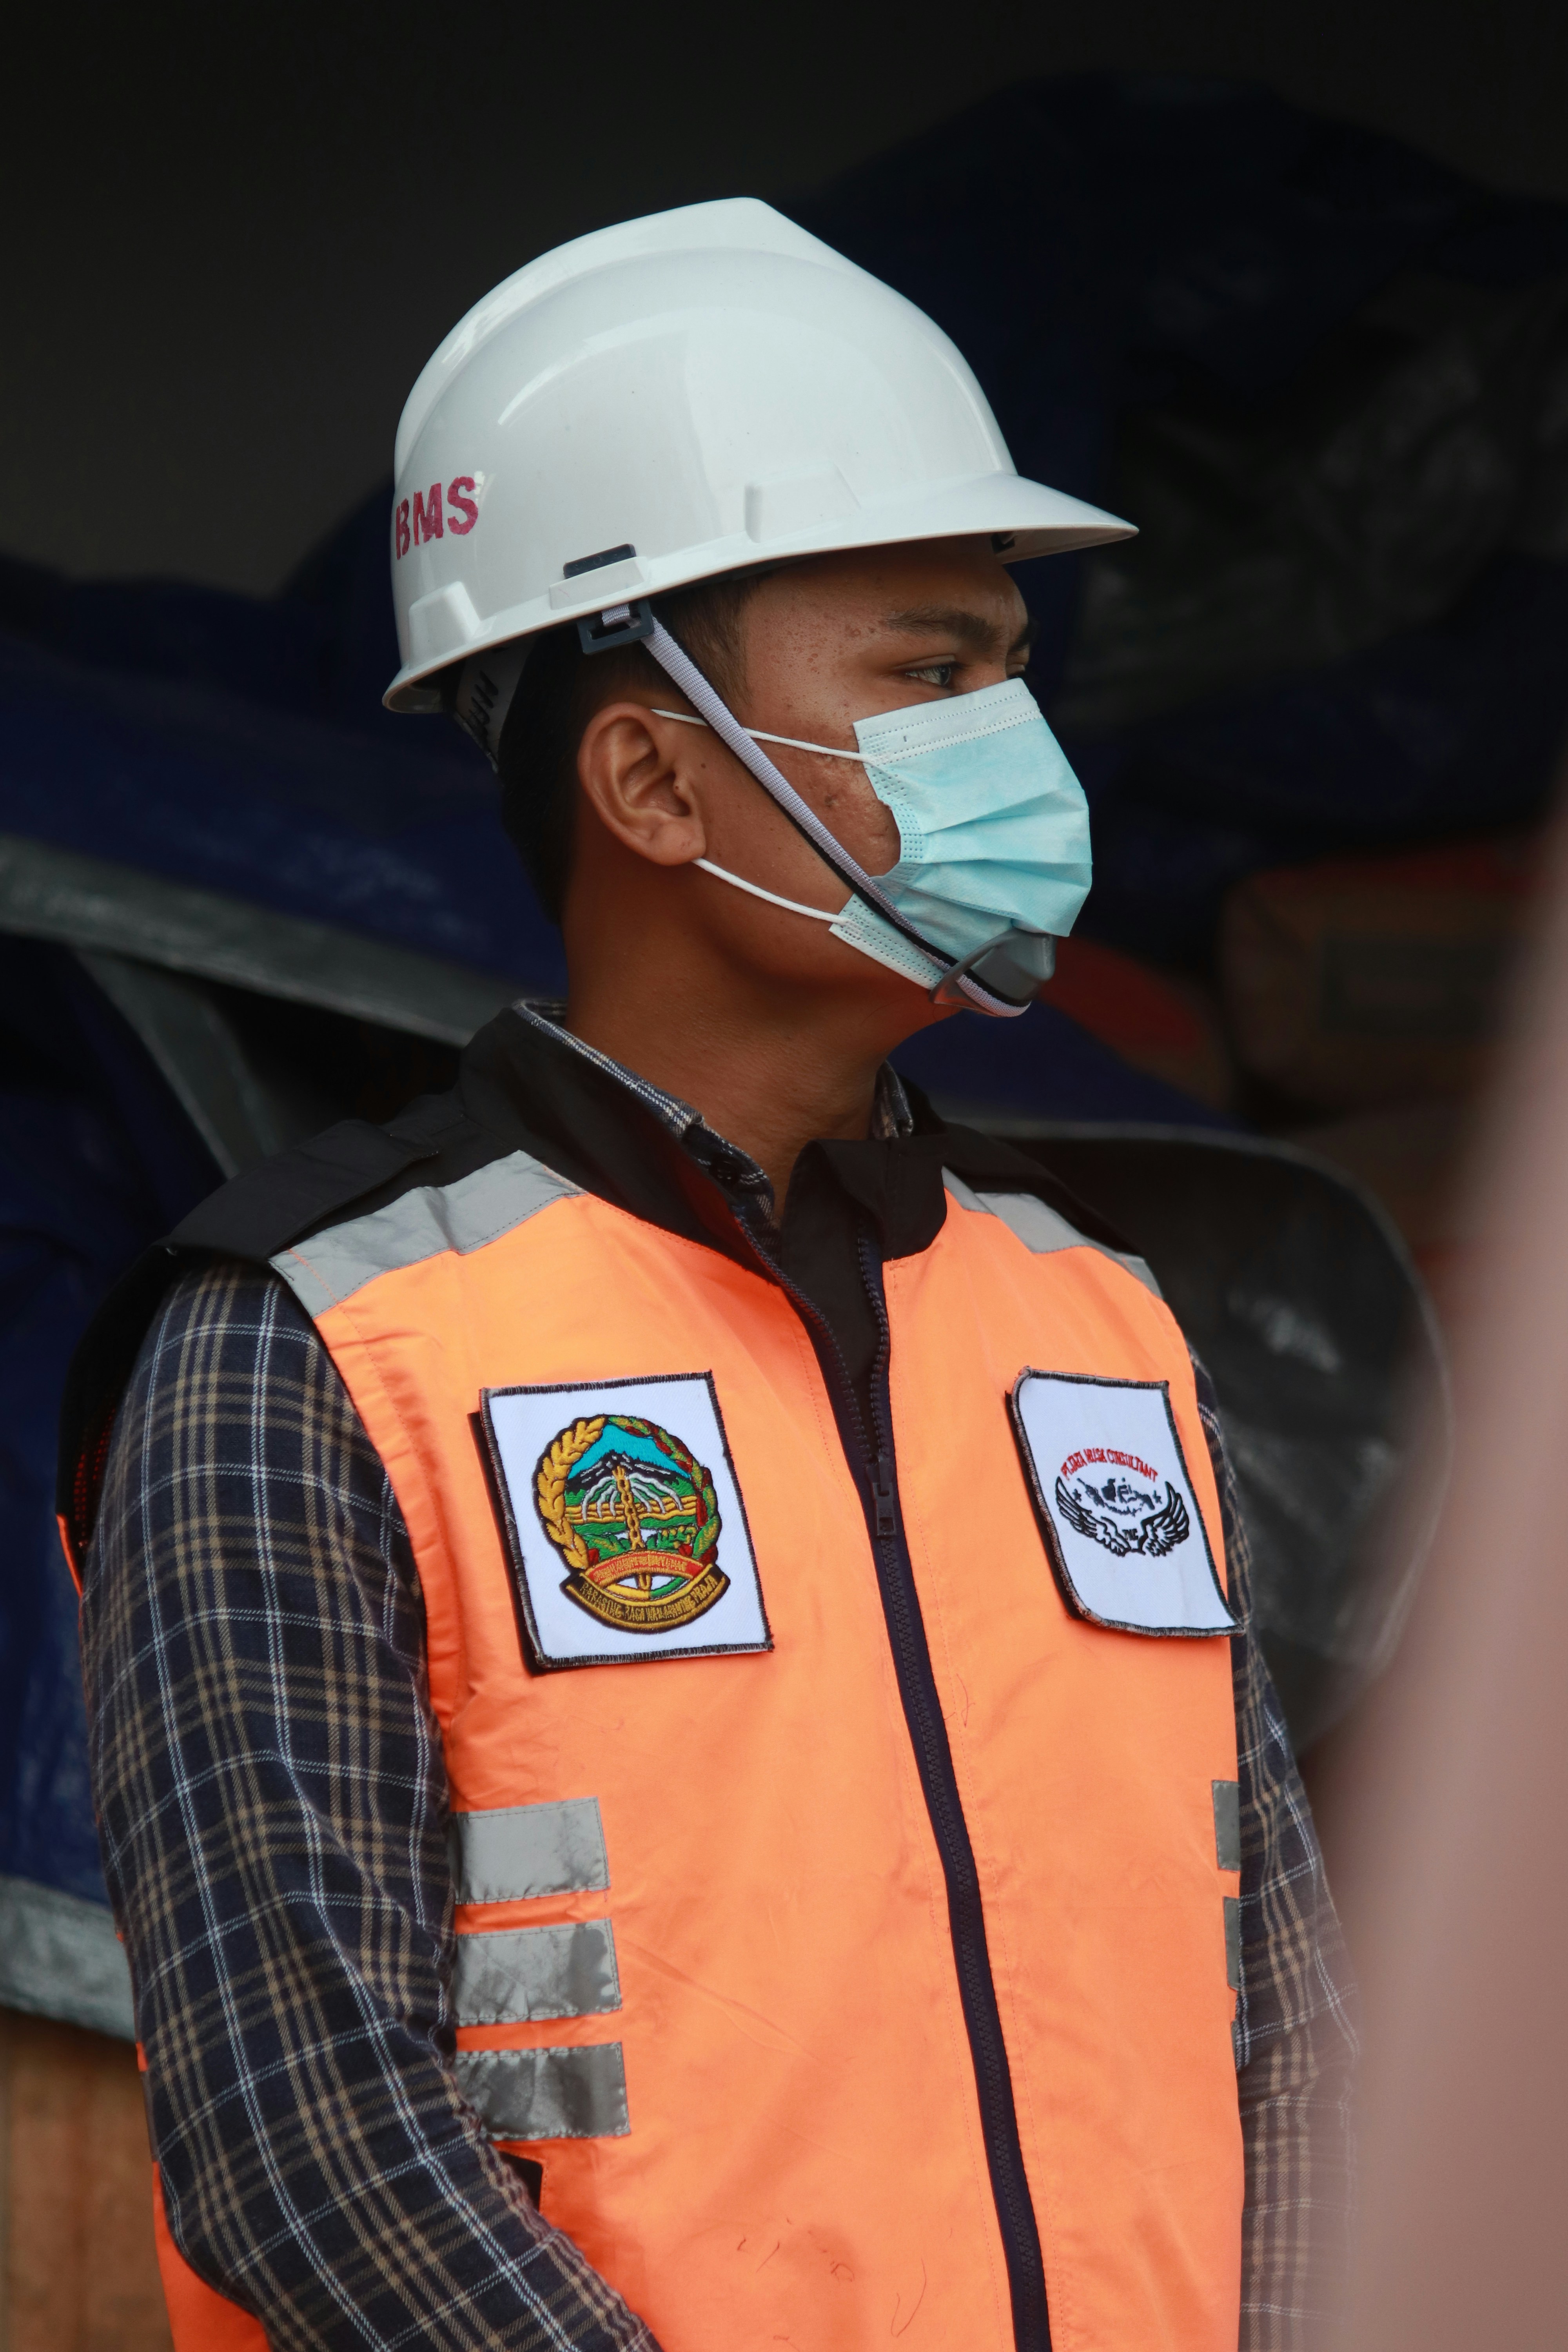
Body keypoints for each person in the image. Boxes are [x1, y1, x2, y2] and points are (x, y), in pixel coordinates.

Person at [60, 200, 1355, 2352]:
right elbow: (308, 2138)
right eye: (930, 673)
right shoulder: (322, 1347)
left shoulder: (1102, 1322)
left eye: (1011, 671)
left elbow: (1288, 2032)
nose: (1013, 749)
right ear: (656, 777)